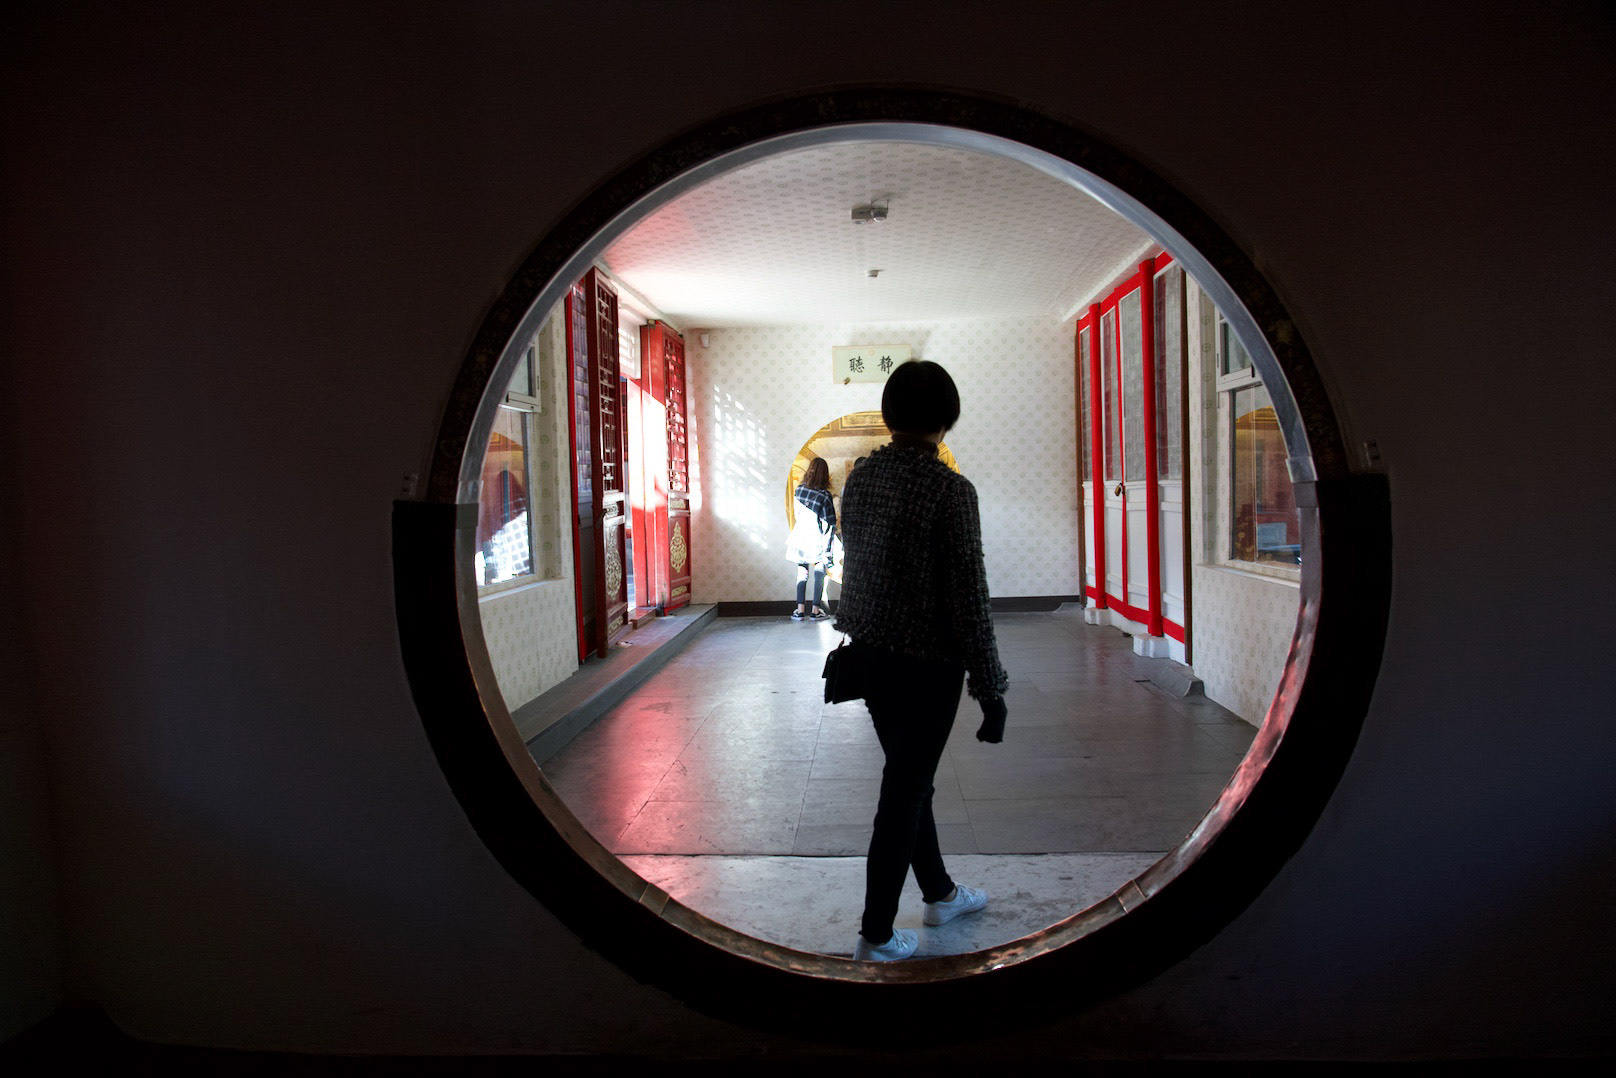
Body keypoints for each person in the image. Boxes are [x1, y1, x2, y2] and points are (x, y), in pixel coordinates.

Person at [835, 360, 1009, 961]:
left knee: (911, 783)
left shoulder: (860, 479)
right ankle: (877, 936)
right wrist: (990, 688)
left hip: (873, 656)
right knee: (905, 789)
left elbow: (855, 567)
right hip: (929, 665)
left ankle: (940, 893)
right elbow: (969, 594)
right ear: (946, 419)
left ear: (888, 415)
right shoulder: (950, 490)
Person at [786, 456, 836, 620]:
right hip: (817, 538)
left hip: (800, 536)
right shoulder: (825, 496)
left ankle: (799, 611)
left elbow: (797, 515)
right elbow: (829, 524)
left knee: (802, 572)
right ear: (825, 475)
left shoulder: (799, 490)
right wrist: (828, 550)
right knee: (819, 572)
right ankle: (815, 611)